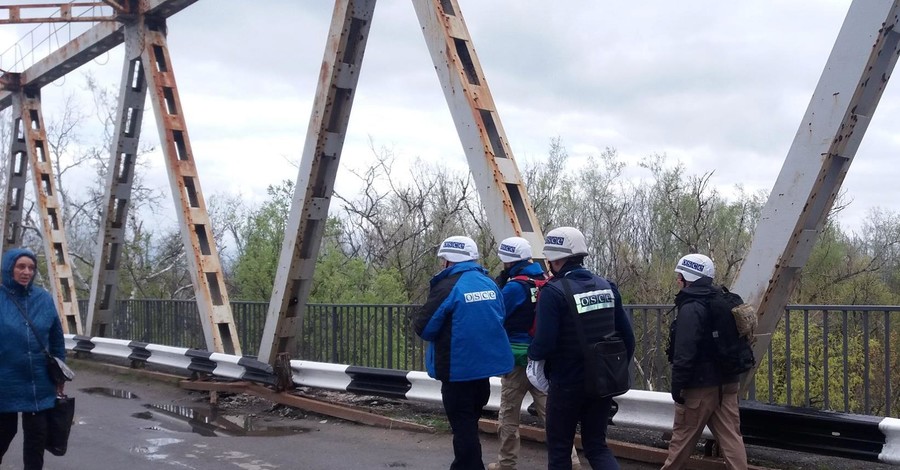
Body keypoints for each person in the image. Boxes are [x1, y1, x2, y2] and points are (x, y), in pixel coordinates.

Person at [528, 227, 635, 470]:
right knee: (596, 446)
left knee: (559, 450)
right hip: (602, 381)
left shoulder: (552, 292)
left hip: (567, 382)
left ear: (555, 259)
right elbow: (628, 338)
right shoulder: (607, 286)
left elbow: (543, 344)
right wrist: (613, 370)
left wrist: (532, 357)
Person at [414, 235, 514, 470]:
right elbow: (500, 316)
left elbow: (425, 327)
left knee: (463, 426)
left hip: (457, 371)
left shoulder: (447, 286)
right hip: (484, 371)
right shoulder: (489, 283)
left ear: (449, 260)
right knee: (469, 422)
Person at [488, 237, 581, 470]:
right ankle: (572, 462)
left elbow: (496, 317)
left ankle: (506, 463)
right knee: (552, 415)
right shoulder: (548, 282)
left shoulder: (513, 287)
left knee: (509, 415)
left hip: (517, 360)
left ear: (508, 261)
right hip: (544, 360)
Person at [662, 254, 748, 470]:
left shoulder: (691, 306)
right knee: (732, 440)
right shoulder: (723, 299)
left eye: (679, 276)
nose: (677, 281)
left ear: (687, 277)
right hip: (728, 382)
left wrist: (677, 387)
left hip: (699, 387)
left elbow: (685, 352)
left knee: (681, 442)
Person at [0, 248, 66, 470]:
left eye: (31, 267)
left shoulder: (43, 299)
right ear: (9, 268)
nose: (26, 272)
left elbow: (56, 339)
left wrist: (60, 373)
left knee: (36, 439)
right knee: (4, 433)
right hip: (4, 382)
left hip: (38, 382)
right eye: (20, 266)